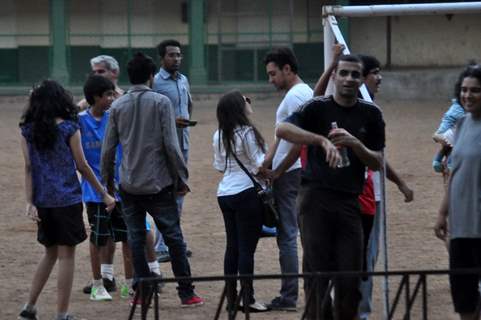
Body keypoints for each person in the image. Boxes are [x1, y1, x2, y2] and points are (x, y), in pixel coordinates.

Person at [276, 54, 386, 319]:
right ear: (334, 76)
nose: (349, 79)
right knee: (317, 275)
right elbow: (282, 129)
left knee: (350, 277)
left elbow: (378, 161)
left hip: (350, 202)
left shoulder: (370, 114)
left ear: (361, 79)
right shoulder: (316, 108)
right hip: (315, 198)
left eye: (355, 74)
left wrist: (355, 144)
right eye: (344, 73)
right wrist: (321, 141)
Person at [101, 52, 203, 307]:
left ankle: (143, 290)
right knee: (173, 238)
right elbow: (171, 145)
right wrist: (181, 177)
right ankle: (186, 292)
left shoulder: (117, 106)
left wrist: (108, 184)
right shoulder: (161, 102)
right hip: (159, 182)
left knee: (135, 237)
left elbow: (108, 150)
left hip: (130, 184)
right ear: (150, 76)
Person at [18, 80, 115, 320]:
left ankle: (29, 308)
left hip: (43, 202)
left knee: (50, 254)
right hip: (67, 199)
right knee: (66, 257)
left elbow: (29, 167)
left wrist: (30, 201)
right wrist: (103, 193)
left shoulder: (28, 130)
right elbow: (82, 165)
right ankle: (62, 314)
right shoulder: (69, 128)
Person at [79, 60, 159, 299]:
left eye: (114, 94)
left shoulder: (116, 115)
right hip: (96, 192)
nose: (113, 99)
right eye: (107, 95)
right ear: (94, 97)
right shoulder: (80, 121)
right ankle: (97, 284)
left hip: (122, 188)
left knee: (128, 238)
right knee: (99, 237)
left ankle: (129, 284)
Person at [356, 54, 414, 320]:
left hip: (367, 193)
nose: (379, 78)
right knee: (366, 256)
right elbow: (377, 158)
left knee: (363, 255)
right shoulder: (364, 110)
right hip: (367, 196)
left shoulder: (368, 107)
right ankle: (361, 312)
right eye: (375, 72)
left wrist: (400, 183)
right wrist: (401, 183)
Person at [262, 47, 313, 311]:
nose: (270, 79)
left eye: (273, 74)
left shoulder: (295, 97)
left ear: (287, 69)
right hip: (294, 172)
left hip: (291, 174)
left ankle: (289, 295)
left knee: (287, 236)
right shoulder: (302, 93)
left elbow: (297, 143)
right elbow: (281, 138)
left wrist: (278, 170)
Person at [213, 90, 272, 313]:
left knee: (233, 247)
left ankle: (231, 298)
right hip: (247, 192)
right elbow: (259, 165)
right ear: (238, 108)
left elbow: (219, 166)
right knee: (247, 249)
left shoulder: (218, 134)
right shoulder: (247, 133)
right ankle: (248, 298)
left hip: (225, 193)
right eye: (244, 100)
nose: (248, 101)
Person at [434, 65, 481, 320]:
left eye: (475, 90)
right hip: (461, 230)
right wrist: (442, 214)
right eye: (464, 90)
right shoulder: (461, 124)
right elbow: (454, 173)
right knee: (465, 300)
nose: (468, 95)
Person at [152, 39, 193, 263]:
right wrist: (170, 122)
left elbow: (188, 104)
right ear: (162, 58)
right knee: (166, 195)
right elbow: (150, 115)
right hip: (164, 148)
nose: (176, 59)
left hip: (182, 145)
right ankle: (161, 245)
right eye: (171, 55)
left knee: (178, 194)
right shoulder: (156, 83)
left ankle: (172, 241)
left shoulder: (184, 80)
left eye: (178, 55)